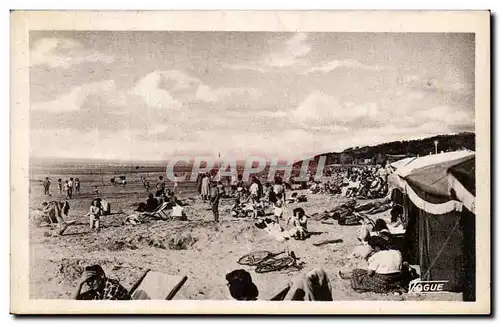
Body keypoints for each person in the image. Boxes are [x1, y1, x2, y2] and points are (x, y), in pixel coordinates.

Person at [339, 236, 403, 294]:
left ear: (377, 247)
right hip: (396, 279)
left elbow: (370, 273)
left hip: (382, 281)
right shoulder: (397, 252)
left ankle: (348, 277)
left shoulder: (378, 255)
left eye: (373, 248)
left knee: (356, 271)